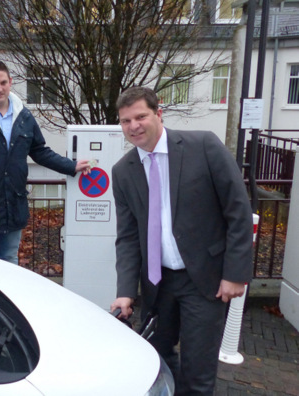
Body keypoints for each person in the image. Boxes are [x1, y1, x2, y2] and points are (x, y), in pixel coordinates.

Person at [109, 87, 252, 395]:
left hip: (205, 280)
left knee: (198, 372)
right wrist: (124, 292)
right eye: (125, 121)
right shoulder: (122, 172)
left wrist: (235, 274)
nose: (133, 126)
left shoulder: (203, 146)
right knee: (154, 360)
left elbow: (238, 210)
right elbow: (128, 237)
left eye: (140, 117)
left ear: (159, 114)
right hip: (157, 285)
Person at [0, 60, 91, 264]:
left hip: (13, 207)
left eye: (3, 83)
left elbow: (40, 152)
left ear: (11, 82)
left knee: (10, 262)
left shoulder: (23, 116)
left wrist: (71, 166)